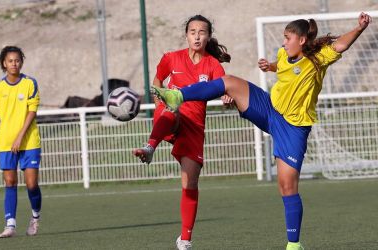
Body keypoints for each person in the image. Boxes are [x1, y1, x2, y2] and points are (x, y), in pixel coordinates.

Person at [151, 12, 372, 250]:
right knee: (229, 82)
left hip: (293, 128)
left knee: (287, 186)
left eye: (288, 38)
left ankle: (294, 245)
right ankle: (178, 95)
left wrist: (359, 28)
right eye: (284, 38)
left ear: (301, 41)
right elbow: (284, 65)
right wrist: (271, 67)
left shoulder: (318, 58)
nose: (283, 42)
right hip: (268, 108)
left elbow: (340, 45)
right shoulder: (283, 54)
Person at [133, 15, 231, 249]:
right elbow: (157, 81)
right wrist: (160, 100)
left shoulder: (213, 65)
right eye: (192, 31)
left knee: (190, 183)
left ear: (208, 36)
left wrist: (228, 97)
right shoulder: (171, 58)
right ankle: (150, 146)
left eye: (202, 32)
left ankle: (185, 239)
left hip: (194, 127)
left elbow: (225, 89)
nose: (197, 36)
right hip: (170, 117)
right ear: (186, 35)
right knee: (172, 109)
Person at [0, 46, 42, 238]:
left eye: (17, 60)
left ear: (21, 62)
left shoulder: (30, 83)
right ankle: (10, 225)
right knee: (10, 181)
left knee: (31, 184)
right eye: (10, 61)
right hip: (6, 141)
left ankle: (35, 217)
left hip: (29, 141)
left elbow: (32, 112)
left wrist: (20, 136)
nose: (14, 64)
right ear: (4, 64)